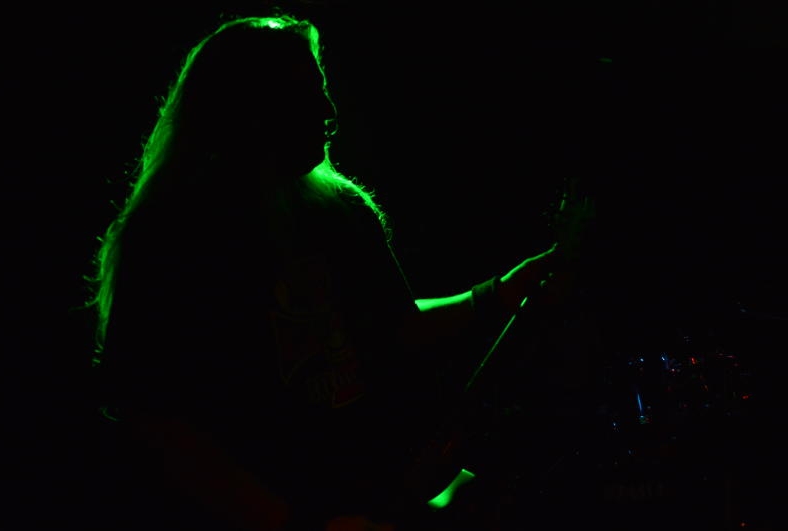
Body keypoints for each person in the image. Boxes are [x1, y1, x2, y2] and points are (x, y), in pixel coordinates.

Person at [84, 13, 586, 531]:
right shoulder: (171, 234)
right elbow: (155, 416)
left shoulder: (340, 208)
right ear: (247, 108)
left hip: (352, 496)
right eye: (305, 92)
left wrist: (500, 293)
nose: (328, 111)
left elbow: (397, 325)